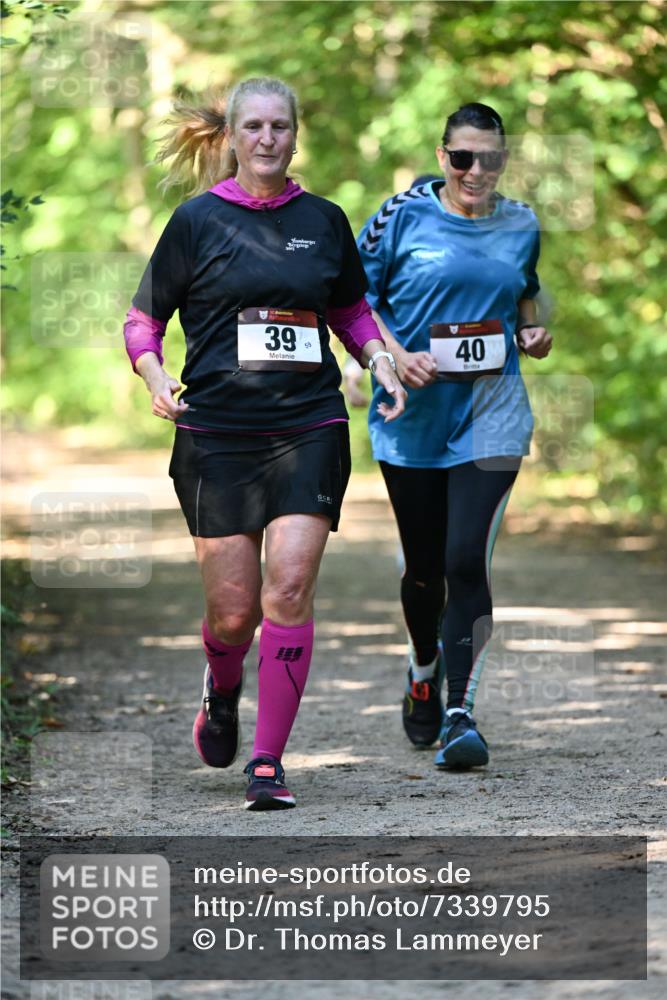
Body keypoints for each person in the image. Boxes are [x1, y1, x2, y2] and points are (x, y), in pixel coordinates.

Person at [123, 77, 405, 810]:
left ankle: (268, 762)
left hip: (309, 424)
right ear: (232, 136)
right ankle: (221, 691)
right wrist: (155, 376)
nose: (267, 139)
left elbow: (349, 307)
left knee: (287, 588)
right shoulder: (195, 221)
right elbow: (142, 321)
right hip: (216, 433)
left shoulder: (324, 219)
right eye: (253, 126)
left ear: (295, 133)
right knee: (233, 613)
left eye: (280, 125)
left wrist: (377, 358)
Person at [357, 103, 552, 769]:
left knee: (467, 558)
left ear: (503, 159)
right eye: (463, 157)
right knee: (424, 572)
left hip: (492, 414)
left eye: (490, 158)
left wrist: (532, 329)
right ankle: (421, 667)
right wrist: (390, 356)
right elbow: (353, 301)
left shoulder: (521, 222)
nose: (476, 170)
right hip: (408, 417)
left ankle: (461, 712)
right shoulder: (399, 216)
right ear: (442, 157)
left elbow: (525, 292)